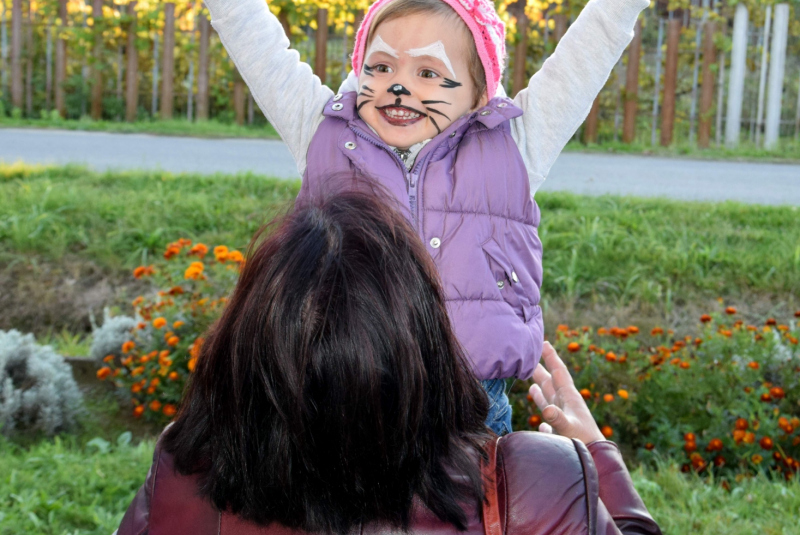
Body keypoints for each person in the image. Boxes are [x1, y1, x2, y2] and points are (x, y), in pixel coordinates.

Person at [201, 0, 650, 434]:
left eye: (428, 72)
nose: (399, 87)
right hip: (342, 394)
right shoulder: (323, 134)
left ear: (479, 91)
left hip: (471, 403)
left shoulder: (516, 145)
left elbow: (585, 55)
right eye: (380, 68)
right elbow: (255, 41)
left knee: (467, 512)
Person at [116, 191, 661, 535]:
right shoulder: (532, 484)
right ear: (427, 341)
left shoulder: (185, 473)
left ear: (245, 348)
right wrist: (593, 452)